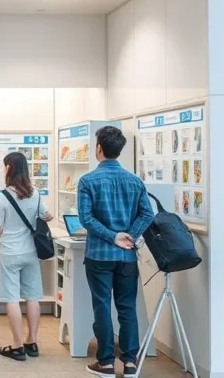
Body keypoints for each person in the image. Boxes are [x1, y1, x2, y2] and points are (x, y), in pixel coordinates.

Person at [77, 126, 154, 377]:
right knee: (127, 308)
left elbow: (86, 219)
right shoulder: (135, 181)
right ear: (119, 150)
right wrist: (129, 236)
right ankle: (131, 363)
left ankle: (106, 362)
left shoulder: (88, 181)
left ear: (99, 148)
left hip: (99, 255)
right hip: (127, 257)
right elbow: (147, 214)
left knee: (101, 306)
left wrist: (113, 236)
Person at [0, 151, 54, 361]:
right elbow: (46, 215)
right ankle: (32, 341)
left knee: (11, 298)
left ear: (9, 168)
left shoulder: (2, 198)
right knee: (33, 296)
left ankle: (17, 346)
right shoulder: (35, 192)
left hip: (9, 252)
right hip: (30, 252)